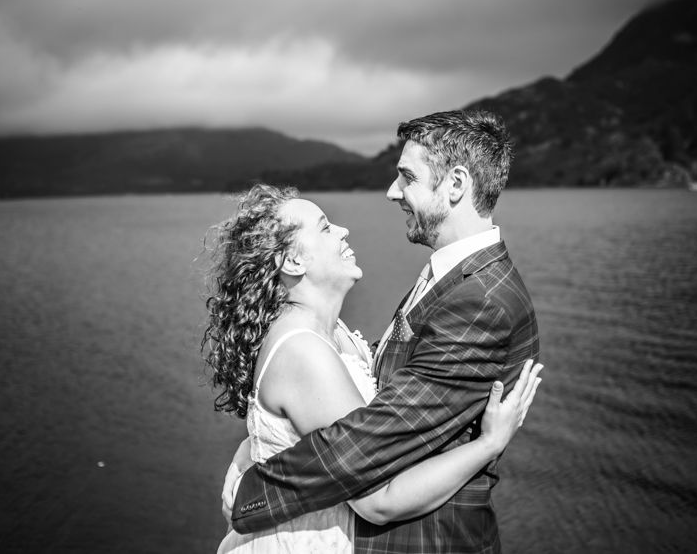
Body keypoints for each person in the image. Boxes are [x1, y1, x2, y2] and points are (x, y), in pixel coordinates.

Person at [226, 108, 541, 553]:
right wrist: (259, 441)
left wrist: (253, 486)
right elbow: (386, 383)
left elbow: (357, 453)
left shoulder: (480, 302)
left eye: (407, 177)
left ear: (455, 184)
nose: (393, 191)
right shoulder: (451, 278)